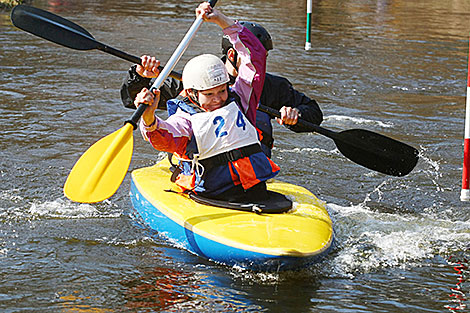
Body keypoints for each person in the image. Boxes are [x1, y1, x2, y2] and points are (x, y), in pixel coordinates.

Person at [134, 2, 279, 202]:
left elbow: (255, 56)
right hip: (212, 195)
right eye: (209, 94)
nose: (218, 99)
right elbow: (163, 137)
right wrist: (148, 116)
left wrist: (222, 21)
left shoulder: (241, 99)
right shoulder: (185, 119)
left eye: (221, 91)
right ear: (191, 93)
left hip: (253, 187)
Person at [121, 22, 323, 158]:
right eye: (209, 94)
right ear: (232, 54)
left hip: (249, 162)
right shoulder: (192, 82)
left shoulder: (270, 85)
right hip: (202, 159)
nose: (216, 98)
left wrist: (296, 115)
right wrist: (140, 76)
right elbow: (132, 100)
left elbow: (314, 113)